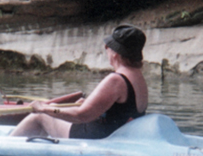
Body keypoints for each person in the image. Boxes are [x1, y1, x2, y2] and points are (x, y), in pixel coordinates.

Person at [10, 25, 148, 139]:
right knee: (50, 110)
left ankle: (7, 146)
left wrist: (44, 108)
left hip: (93, 136)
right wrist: (90, 105)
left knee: (40, 115)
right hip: (110, 133)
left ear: (116, 54)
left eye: (108, 47)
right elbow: (119, 112)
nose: (106, 50)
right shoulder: (138, 77)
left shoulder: (116, 80)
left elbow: (81, 115)